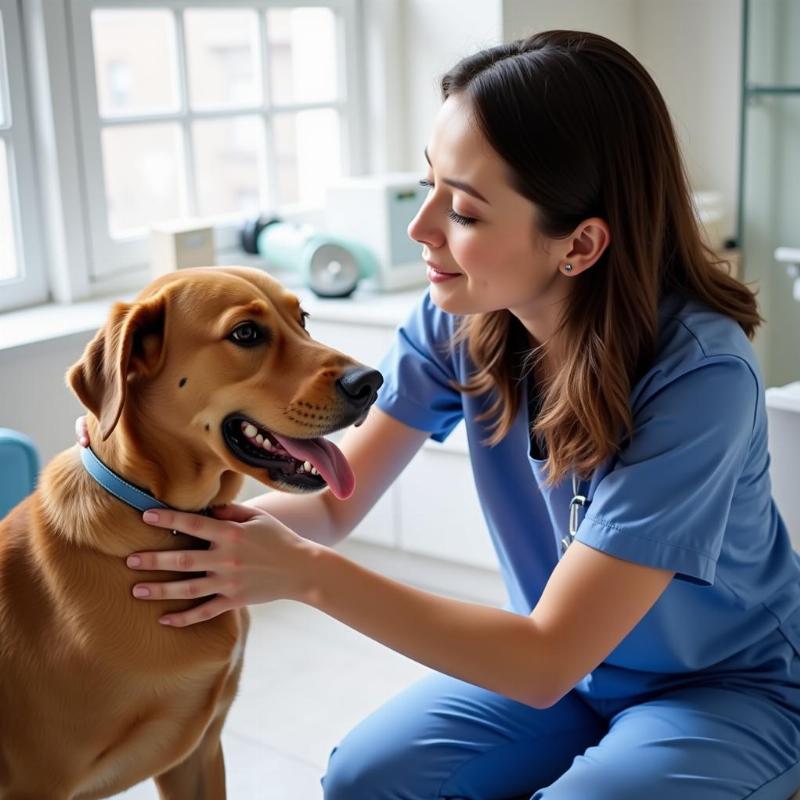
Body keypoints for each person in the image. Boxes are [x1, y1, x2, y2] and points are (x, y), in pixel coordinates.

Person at [76, 30, 800, 800]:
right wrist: (166, 527)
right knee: (363, 778)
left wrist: (309, 578)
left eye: (462, 210)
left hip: (721, 687)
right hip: (569, 680)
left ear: (579, 245)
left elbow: (545, 654)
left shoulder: (701, 377)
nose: (421, 230)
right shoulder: (461, 315)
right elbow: (330, 502)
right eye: (429, 185)